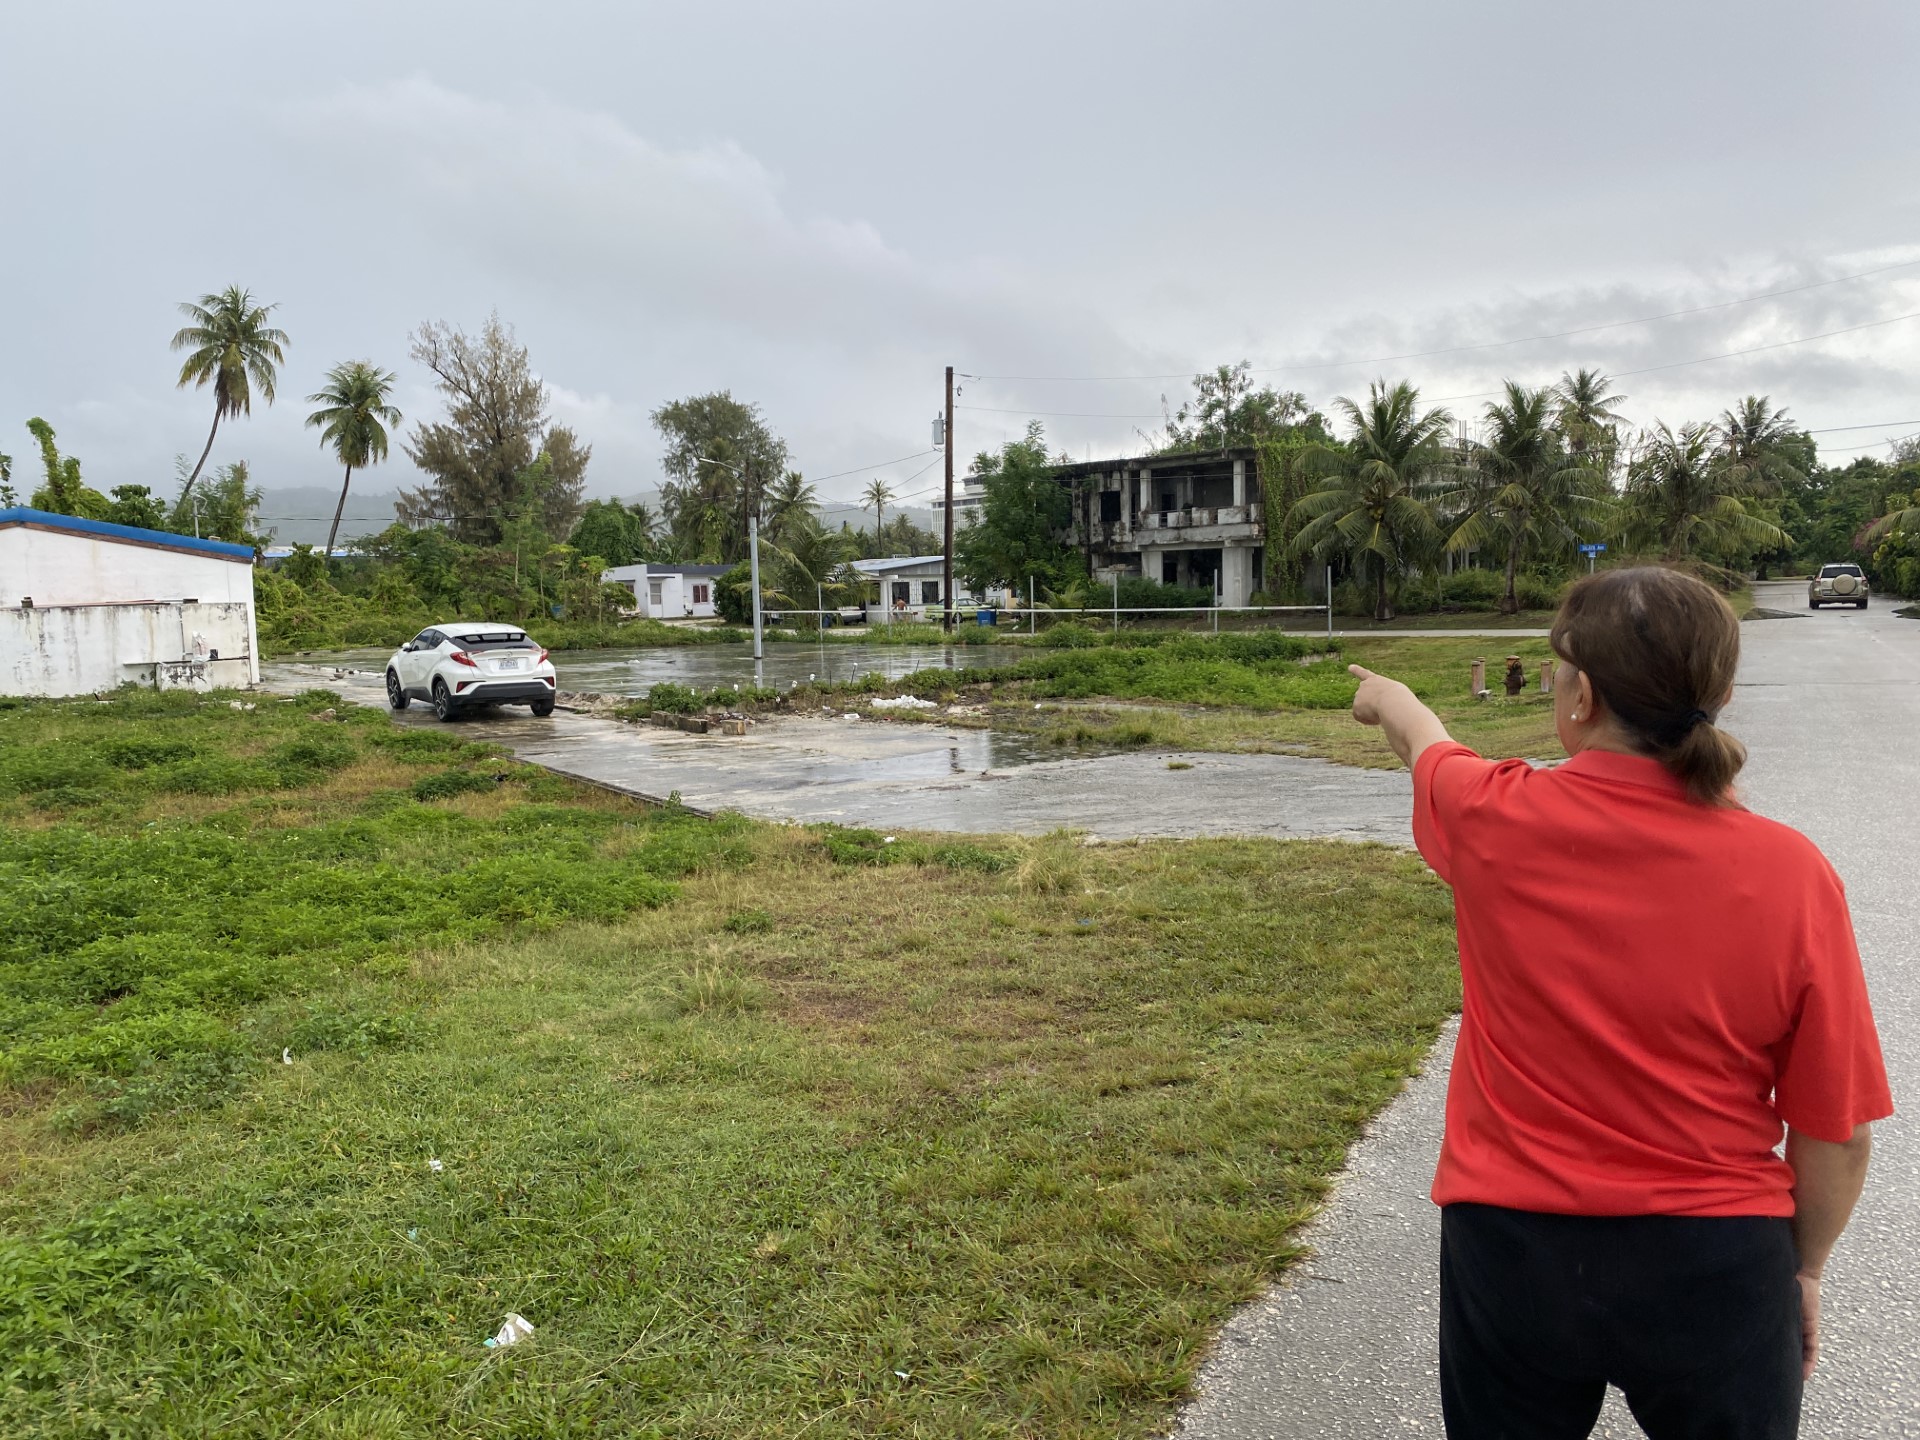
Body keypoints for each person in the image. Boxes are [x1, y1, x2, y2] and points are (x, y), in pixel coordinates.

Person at [1348, 566, 1892, 1439]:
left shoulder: (1496, 817)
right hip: (1716, 1263)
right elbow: (1838, 1129)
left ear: (1582, 696)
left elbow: (1425, 744)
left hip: (1513, 1251)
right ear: (1715, 693)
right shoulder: (1794, 873)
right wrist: (1806, 1270)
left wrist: (1387, 696)